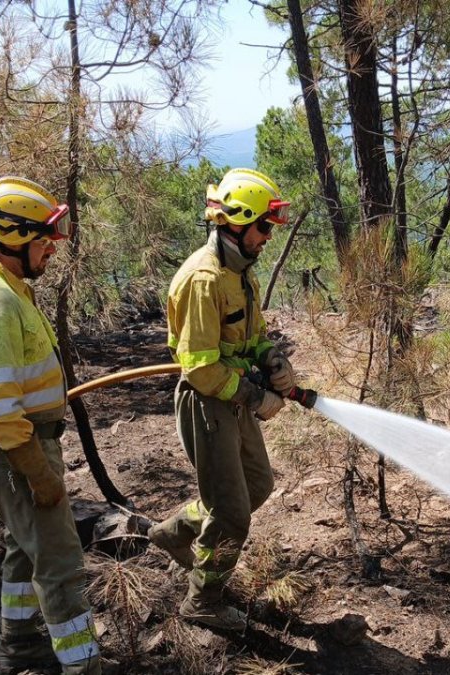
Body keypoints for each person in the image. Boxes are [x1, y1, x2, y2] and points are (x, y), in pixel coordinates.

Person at [0, 177, 101, 674]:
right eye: (44, 238)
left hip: (13, 443)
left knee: (24, 544)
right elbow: (0, 406)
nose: (52, 248)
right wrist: (37, 472)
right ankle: (82, 664)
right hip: (13, 447)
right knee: (59, 559)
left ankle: (19, 644)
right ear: (14, 239)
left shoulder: (2, 284)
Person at [149, 168, 298, 632]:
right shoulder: (204, 279)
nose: (268, 237)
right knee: (233, 516)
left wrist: (272, 359)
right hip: (207, 403)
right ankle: (203, 601)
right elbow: (199, 368)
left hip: (234, 397)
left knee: (257, 486)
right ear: (237, 222)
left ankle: (174, 533)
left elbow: (251, 336)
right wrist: (257, 397)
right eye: (264, 226)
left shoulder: (241, 272)